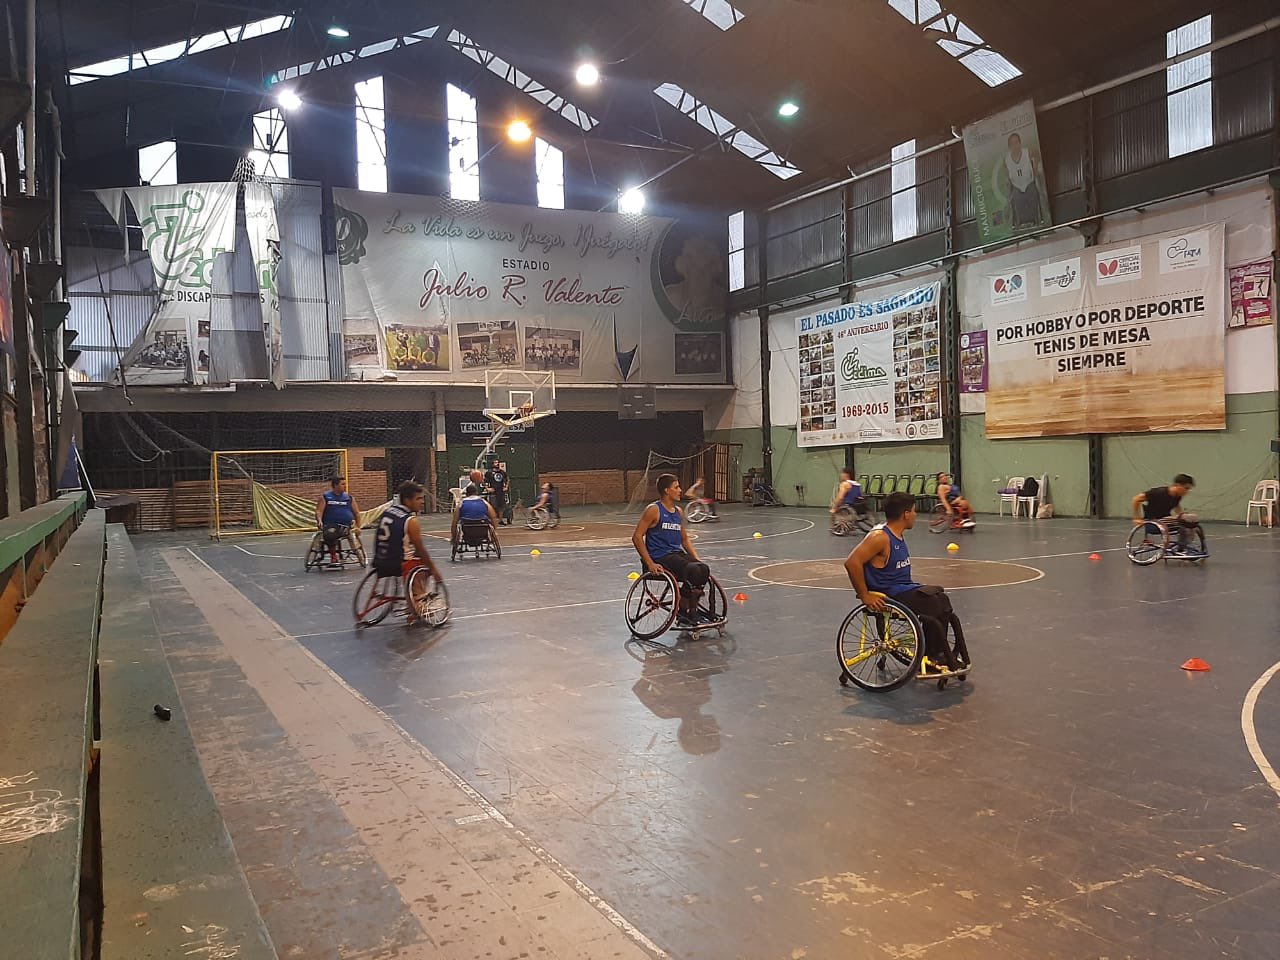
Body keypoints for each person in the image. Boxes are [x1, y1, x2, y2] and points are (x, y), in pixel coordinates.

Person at [843, 491, 970, 675]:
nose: (916, 515)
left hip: (903, 588)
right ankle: (932, 654)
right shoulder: (880, 537)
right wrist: (864, 595)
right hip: (888, 594)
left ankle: (937, 652)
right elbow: (852, 562)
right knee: (933, 602)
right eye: (914, 511)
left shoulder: (897, 535)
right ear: (906, 514)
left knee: (941, 599)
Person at [632, 473, 719, 628]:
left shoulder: (678, 512)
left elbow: (684, 539)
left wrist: (697, 558)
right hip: (660, 556)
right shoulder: (654, 510)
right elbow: (637, 537)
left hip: (675, 554)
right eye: (676, 487)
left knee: (703, 569)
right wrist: (650, 563)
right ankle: (686, 610)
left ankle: (684, 607)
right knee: (692, 570)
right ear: (667, 490)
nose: (680, 490)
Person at [372, 481, 444, 619]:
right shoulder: (410, 521)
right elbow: (421, 549)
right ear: (407, 500)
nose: (421, 502)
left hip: (379, 561)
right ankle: (418, 603)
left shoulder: (387, 512)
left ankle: (413, 599)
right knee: (423, 564)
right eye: (418, 499)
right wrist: (434, 571)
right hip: (399, 565)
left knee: (414, 557)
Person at [1132, 474, 1199, 548]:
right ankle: (1172, 547)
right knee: (1183, 520)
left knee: (1190, 521)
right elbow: (1136, 499)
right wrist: (1136, 518)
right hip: (1153, 521)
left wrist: (1182, 515)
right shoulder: (1158, 492)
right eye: (1186, 488)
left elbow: (1176, 506)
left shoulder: (1177, 496)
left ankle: (1183, 546)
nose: (1187, 492)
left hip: (1165, 519)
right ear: (1177, 485)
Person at [315, 475, 363, 567]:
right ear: (335, 485)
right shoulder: (325, 497)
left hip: (346, 527)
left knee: (349, 535)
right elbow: (319, 511)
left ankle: (357, 552)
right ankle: (334, 556)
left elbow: (357, 513)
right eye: (343, 484)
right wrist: (319, 521)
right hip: (331, 525)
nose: (345, 486)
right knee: (329, 534)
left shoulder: (349, 498)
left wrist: (358, 527)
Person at [1003, 132, 1043, 229]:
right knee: (1016, 197)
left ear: (1020, 143)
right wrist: (1008, 181)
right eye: (1012, 143)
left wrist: (1035, 168)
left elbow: (1037, 153)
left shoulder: (1027, 152)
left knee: (1033, 192)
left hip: (1029, 183)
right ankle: (1021, 222)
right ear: (1009, 146)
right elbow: (1007, 174)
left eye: (1017, 142)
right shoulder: (1006, 160)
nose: (1015, 145)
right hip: (1016, 186)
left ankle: (1035, 220)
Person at [485, 460, 510, 526]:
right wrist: (487, 488)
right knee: (493, 507)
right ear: (492, 464)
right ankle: (493, 520)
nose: (497, 464)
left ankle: (500, 520)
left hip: (501, 492)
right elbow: (485, 481)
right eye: (495, 462)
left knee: (501, 507)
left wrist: (506, 486)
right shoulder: (489, 473)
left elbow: (507, 479)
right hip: (493, 492)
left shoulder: (502, 472)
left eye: (498, 463)